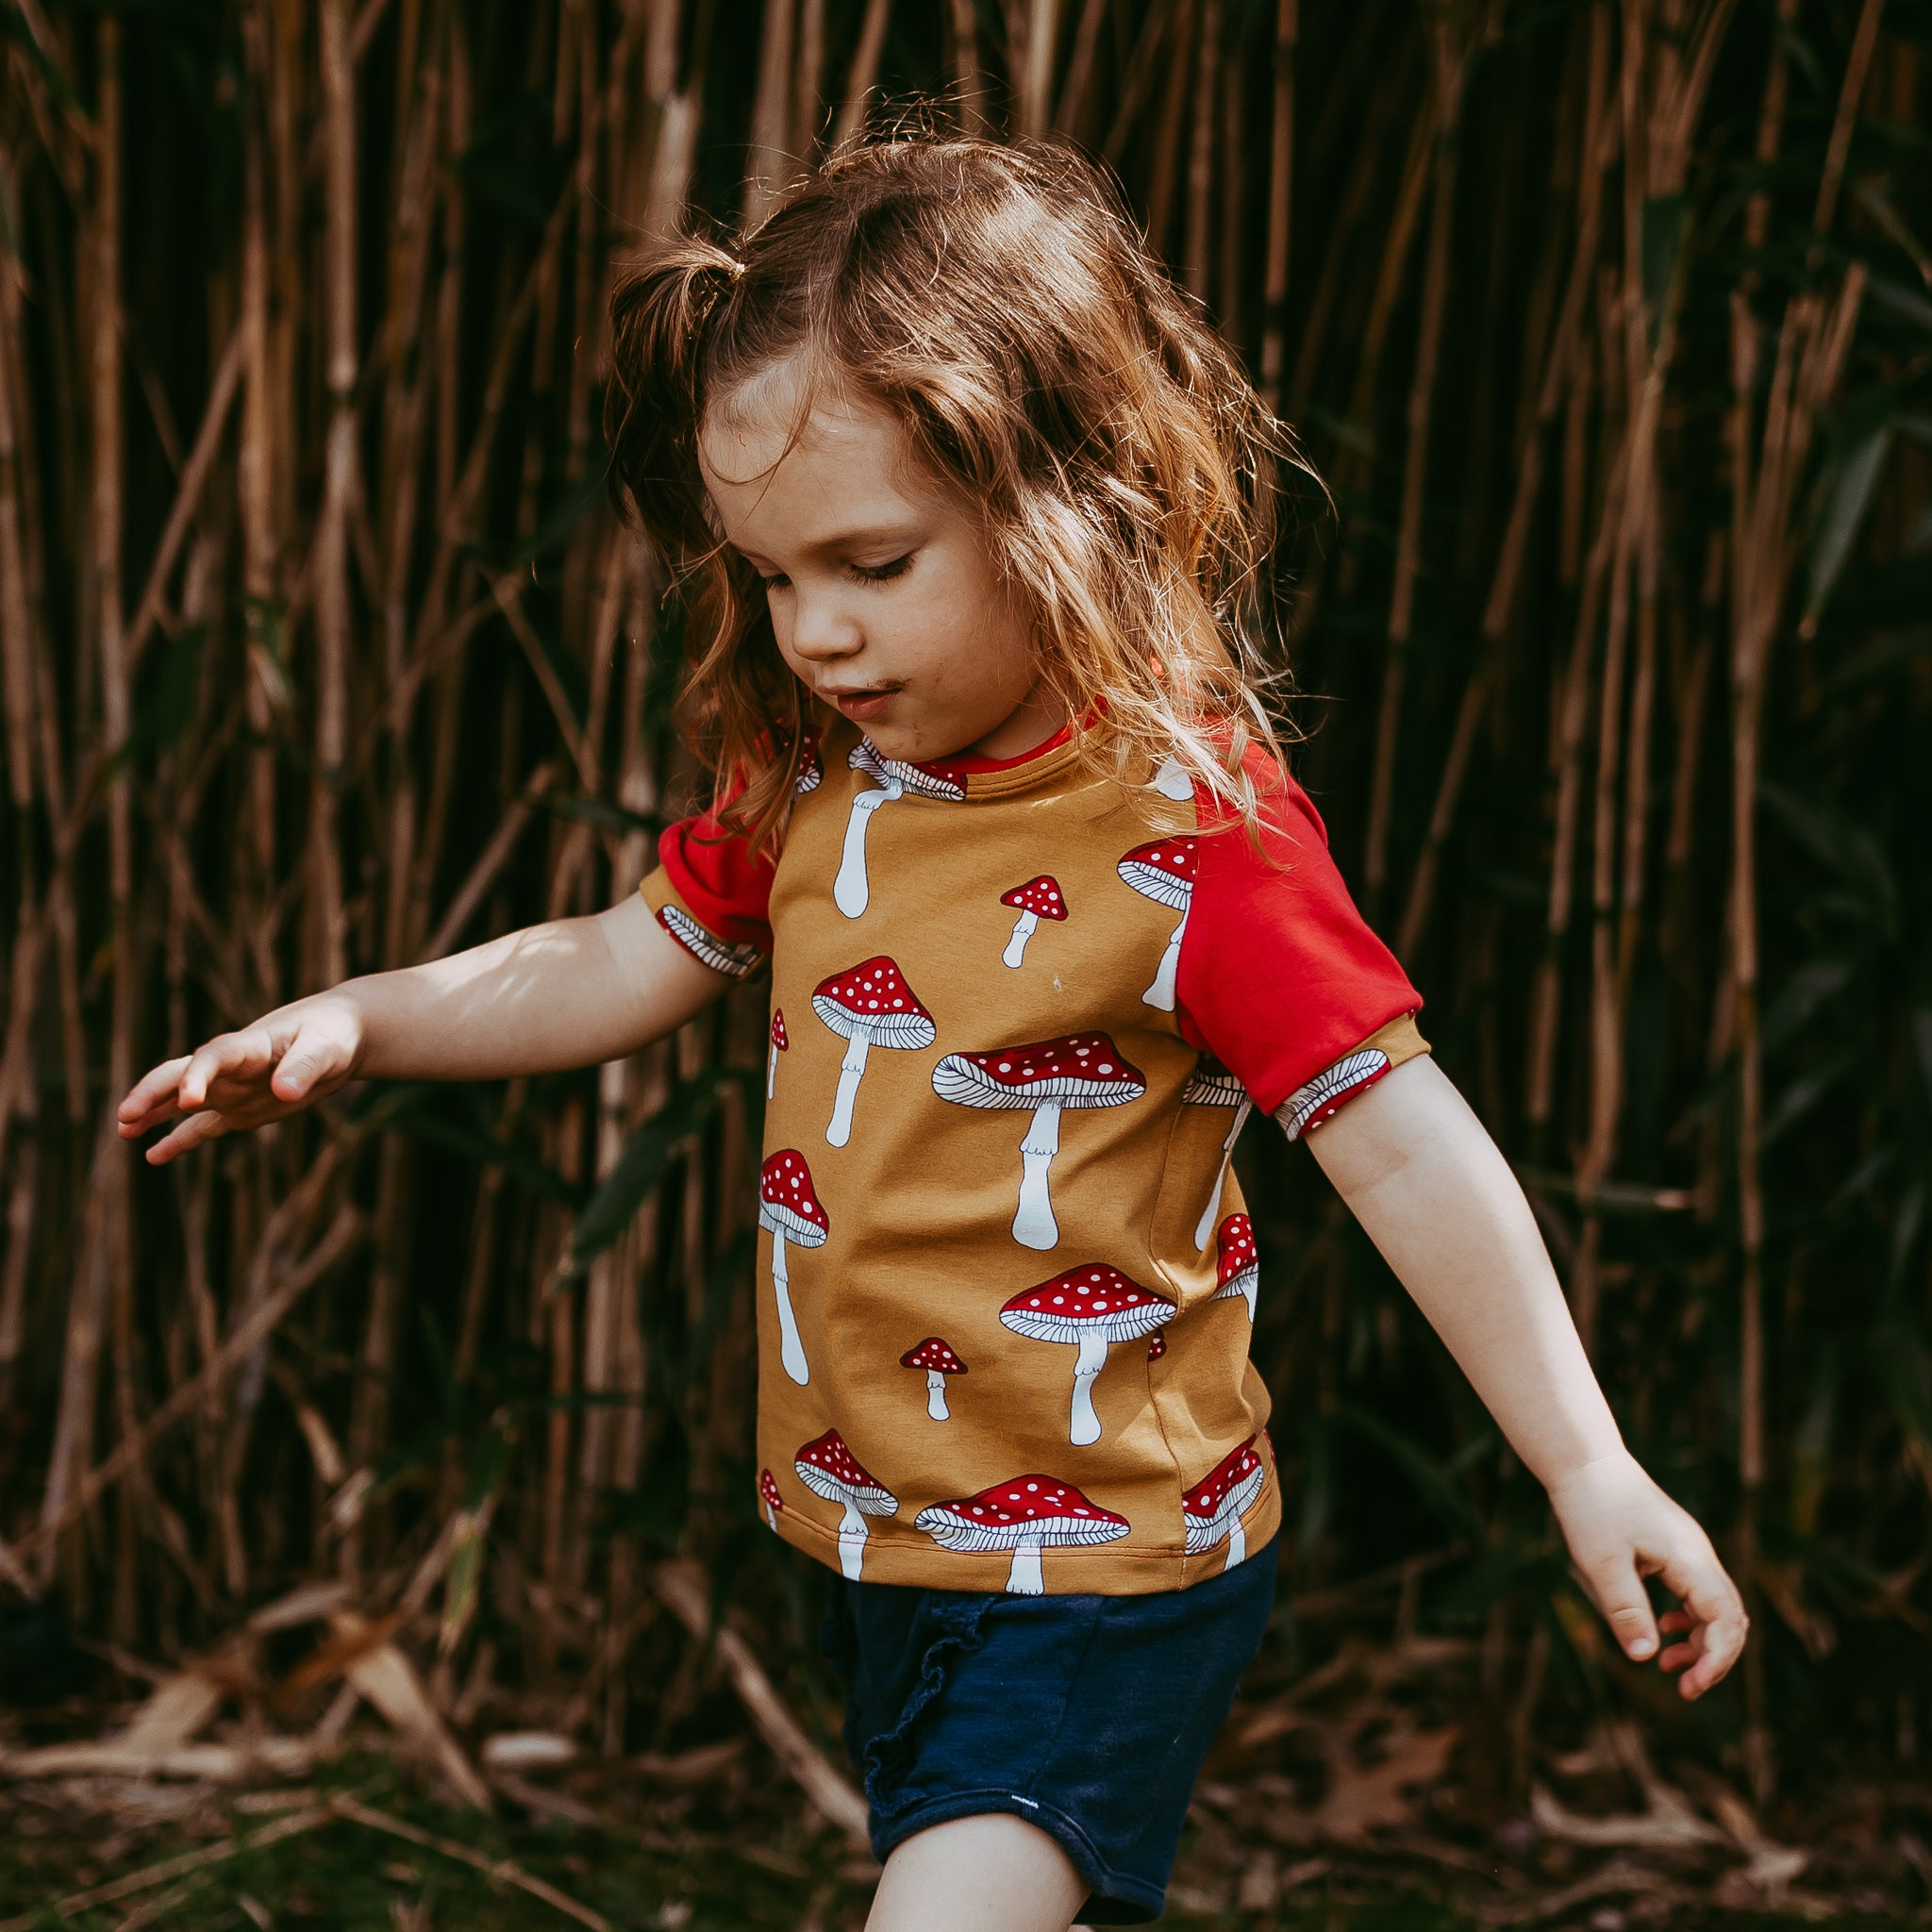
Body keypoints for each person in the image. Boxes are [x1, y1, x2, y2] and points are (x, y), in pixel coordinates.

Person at [119, 136, 1746, 1932]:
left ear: (1070, 493)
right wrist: (361, 1020)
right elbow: (622, 954)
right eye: (770, 579)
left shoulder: (1192, 839)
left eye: (872, 563)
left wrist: (1587, 1463)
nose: (813, 629)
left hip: (1101, 1564)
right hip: (881, 1530)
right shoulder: (822, 772)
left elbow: (1404, 1142)